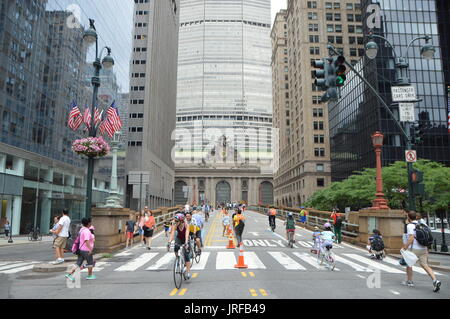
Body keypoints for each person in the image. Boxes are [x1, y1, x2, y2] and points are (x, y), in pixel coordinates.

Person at [402, 211, 441, 292]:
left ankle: (409, 281)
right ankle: (435, 280)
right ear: (416, 217)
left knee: (409, 264)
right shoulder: (423, 225)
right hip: (423, 248)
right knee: (425, 265)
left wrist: (404, 247)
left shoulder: (410, 226)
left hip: (414, 249)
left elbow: (411, 238)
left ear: (408, 217)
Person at [168, 213, 192, 279]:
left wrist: (186, 243)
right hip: (179, 238)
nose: (175, 222)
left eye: (176, 221)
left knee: (187, 255)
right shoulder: (175, 225)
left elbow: (187, 235)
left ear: (181, 221)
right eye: (175, 221)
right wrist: (169, 242)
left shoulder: (186, 225)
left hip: (185, 239)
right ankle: (178, 258)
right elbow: (172, 234)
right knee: (176, 247)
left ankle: (188, 271)